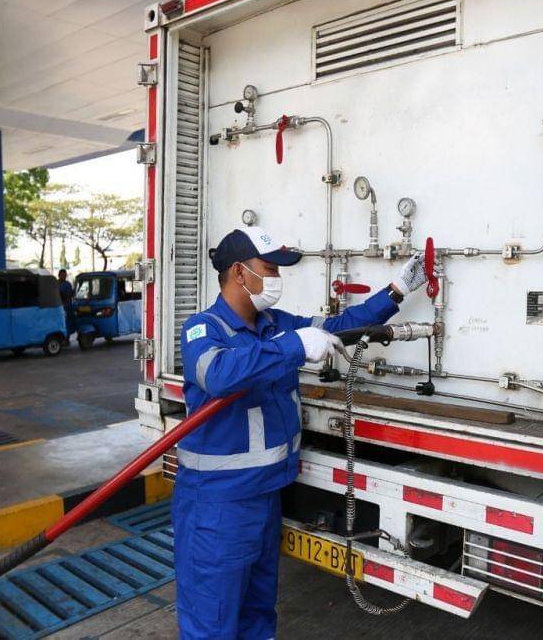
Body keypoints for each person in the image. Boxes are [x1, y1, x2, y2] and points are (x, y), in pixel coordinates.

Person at [175, 226, 427, 639]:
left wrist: (396, 291)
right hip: (218, 505)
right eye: (269, 269)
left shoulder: (275, 324)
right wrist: (293, 346)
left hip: (266, 496)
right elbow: (217, 375)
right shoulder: (203, 329)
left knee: (258, 615)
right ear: (238, 272)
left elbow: (341, 325)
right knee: (212, 621)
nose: (277, 278)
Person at [57, 269, 75, 343]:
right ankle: (61, 338)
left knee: (68, 323)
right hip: (60, 308)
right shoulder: (56, 284)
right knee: (61, 324)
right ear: (59, 275)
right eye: (62, 275)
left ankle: (67, 338)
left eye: (65, 276)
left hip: (68, 307)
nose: (64, 277)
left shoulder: (68, 284)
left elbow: (71, 294)